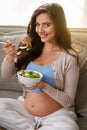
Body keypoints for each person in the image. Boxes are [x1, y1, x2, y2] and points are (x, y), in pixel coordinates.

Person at [0, 2, 79, 130]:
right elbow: (5, 75)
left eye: (46, 25)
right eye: (37, 24)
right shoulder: (29, 46)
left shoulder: (69, 58)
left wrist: (42, 85)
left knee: (70, 128)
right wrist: (10, 56)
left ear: (58, 25)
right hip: (24, 110)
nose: (40, 30)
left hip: (56, 115)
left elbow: (69, 100)